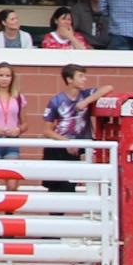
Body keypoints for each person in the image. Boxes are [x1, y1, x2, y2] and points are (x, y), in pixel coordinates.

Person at [41, 62, 100, 190]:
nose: (84, 79)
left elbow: (108, 88)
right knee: (55, 188)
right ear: (69, 79)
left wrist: (86, 102)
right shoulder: (56, 101)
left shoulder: (85, 95)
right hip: (59, 147)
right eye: (80, 76)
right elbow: (47, 130)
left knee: (69, 187)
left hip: (75, 148)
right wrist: (67, 142)